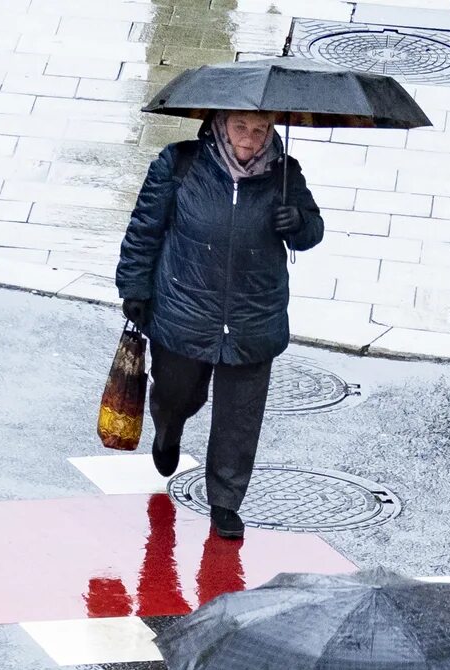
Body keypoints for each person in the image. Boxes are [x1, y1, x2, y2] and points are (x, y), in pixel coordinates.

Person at [115, 111, 326, 543]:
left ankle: (226, 501)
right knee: (178, 392)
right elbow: (143, 230)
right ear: (219, 125)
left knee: (240, 417)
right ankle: (169, 427)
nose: (250, 140)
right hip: (183, 310)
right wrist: (134, 287)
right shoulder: (178, 164)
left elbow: (312, 232)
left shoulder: (285, 175)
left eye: (261, 129)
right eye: (241, 128)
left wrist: (299, 223)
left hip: (253, 316)